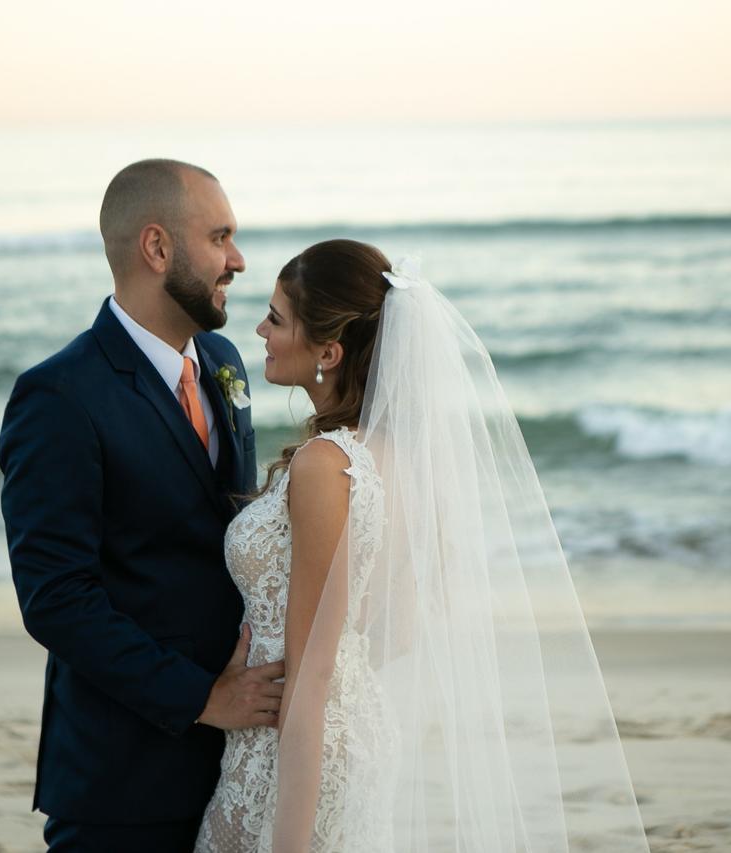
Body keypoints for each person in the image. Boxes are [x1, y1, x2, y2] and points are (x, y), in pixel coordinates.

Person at [195, 240, 650, 851]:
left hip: (294, 749)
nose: (260, 329)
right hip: (353, 730)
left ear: (328, 351)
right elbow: (400, 627)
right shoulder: (402, 461)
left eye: (277, 318)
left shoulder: (324, 466)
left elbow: (313, 674)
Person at [0, 159, 284, 852]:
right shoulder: (60, 397)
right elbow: (57, 598)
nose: (237, 260)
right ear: (157, 247)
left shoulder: (222, 361)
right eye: (219, 237)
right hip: (122, 777)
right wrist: (201, 698)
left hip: (234, 768)